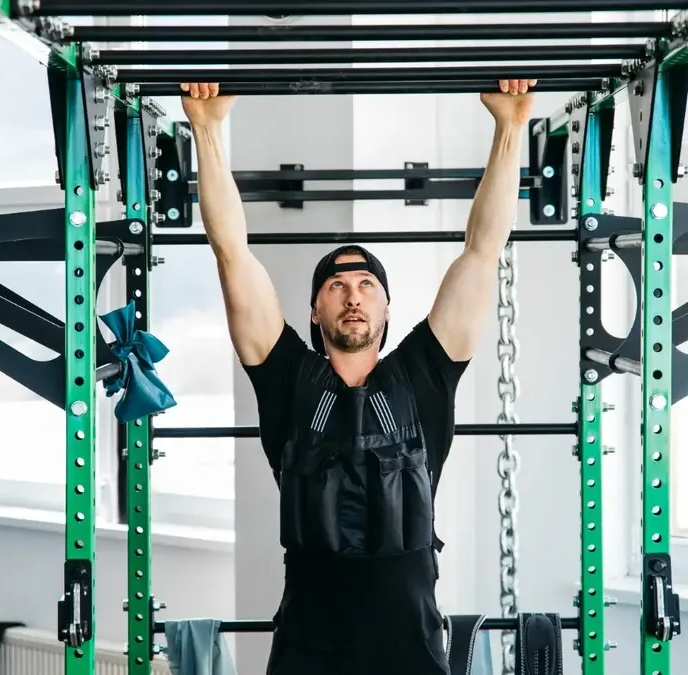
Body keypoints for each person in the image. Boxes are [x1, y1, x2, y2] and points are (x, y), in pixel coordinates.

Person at [179, 79, 537, 675]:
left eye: (368, 286)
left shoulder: (424, 374)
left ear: (387, 309)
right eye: (337, 287)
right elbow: (232, 253)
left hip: (411, 651)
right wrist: (207, 130)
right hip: (308, 651)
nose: (353, 297)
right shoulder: (286, 377)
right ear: (314, 309)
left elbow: (482, 250)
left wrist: (510, 127)